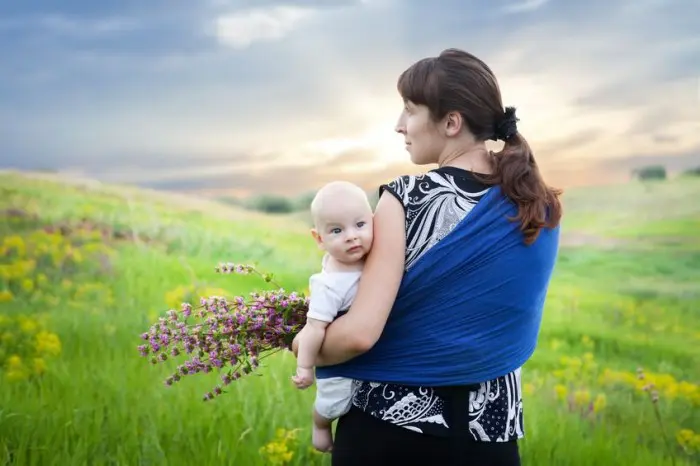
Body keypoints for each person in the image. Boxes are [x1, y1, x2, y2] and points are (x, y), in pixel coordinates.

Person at [292, 48, 562, 465]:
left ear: (451, 122)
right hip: (490, 433)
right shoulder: (538, 204)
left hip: (390, 430)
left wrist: (302, 342)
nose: (399, 125)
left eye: (410, 110)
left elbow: (361, 333)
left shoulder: (405, 199)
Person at [291, 181, 374, 453]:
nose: (351, 236)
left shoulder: (376, 256)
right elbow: (313, 328)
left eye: (360, 225)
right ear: (319, 239)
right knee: (334, 403)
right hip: (339, 360)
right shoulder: (329, 284)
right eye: (337, 230)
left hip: (374, 355)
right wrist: (305, 367)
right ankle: (321, 425)